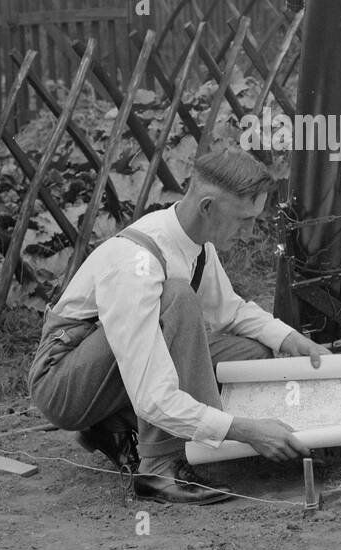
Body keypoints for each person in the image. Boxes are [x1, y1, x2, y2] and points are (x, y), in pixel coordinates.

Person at [28, 149, 324, 505]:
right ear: (207, 207)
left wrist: (292, 340)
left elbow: (229, 311)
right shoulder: (136, 264)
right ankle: (158, 467)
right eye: (243, 220)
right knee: (177, 299)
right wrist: (244, 430)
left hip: (116, 367)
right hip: (64, 382)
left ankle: (114, 424)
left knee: (252, 352)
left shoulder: (195, 244)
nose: (249, 233)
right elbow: (152, 394)